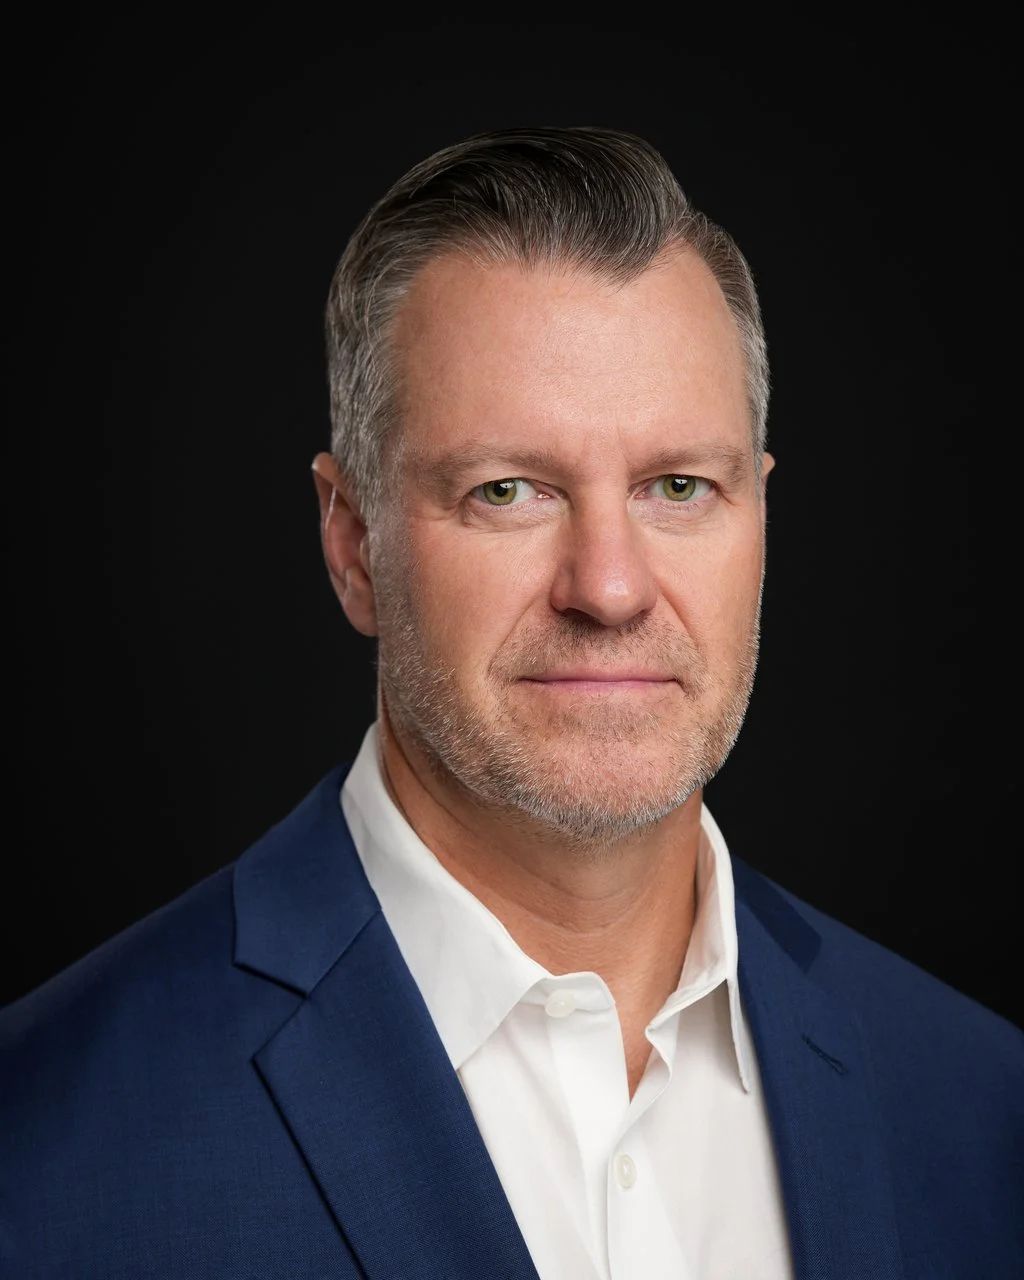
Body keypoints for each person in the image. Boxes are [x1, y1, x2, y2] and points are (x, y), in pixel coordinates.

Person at [1, 127, 1019, 1280]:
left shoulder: (980, 1113)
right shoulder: (40, 1155)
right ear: (351, 544)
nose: (611, 586)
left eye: (678, 486)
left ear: (760, 515)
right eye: (508, 491)